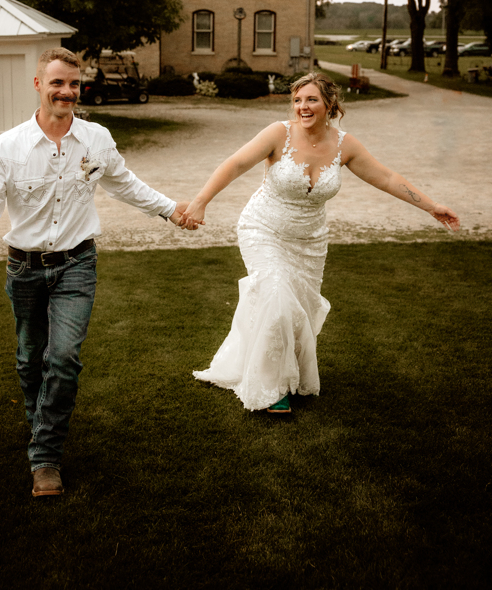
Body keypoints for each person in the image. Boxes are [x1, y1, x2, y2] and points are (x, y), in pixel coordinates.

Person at [0, 48, 196, 497]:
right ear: (38, 86)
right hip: (23, 269)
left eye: (74, 84)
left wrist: (171, 210)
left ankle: (45, 458)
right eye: (57, 83)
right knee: (31, 360)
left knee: (62, 359)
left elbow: (124, 183)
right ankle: (41, 425)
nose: (66, 92)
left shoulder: (96, 138)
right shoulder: (7, 148)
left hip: (76, 265)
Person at [180, 72, 459, 414]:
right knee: (276, 297)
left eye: (311, 99)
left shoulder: (345, 145)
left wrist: (432, 206)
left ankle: (283, 369)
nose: (302, 107)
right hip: (263, 228)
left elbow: (386, 177)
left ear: (330, 104)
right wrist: (200, 200)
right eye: (297, 100)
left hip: (310, 241)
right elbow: (236, 163)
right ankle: (272, 389)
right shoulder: (278, 134)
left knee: (297, 311)